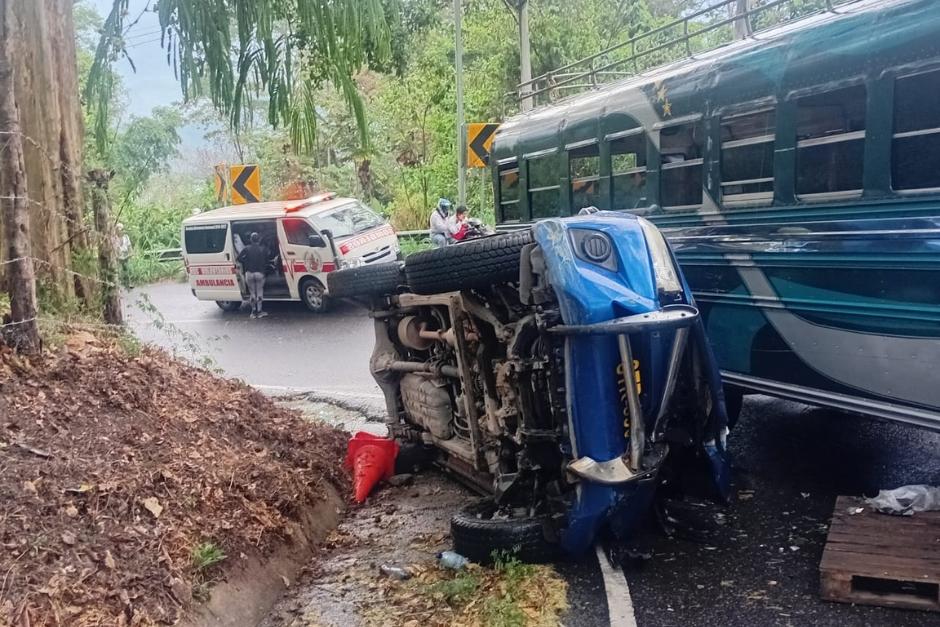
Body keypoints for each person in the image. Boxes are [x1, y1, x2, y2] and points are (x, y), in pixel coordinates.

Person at [237, 232, 269, 319]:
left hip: (249, 273)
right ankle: (259, 311)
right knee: (259, 292)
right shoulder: (263, 249)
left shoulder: (246, 248)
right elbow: (267, 260)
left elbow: (239, 258)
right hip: (259, 273)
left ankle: (253, 312)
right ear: (259, 239)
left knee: (252, 292)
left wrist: (246, 262)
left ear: (250, 239)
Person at [115, 223, 133, 288]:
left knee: (126, 268)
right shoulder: (114, 237)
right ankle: (117, 284)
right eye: (119, 229)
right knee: (117, 270)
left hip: (125, 254)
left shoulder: (126, 237)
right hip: (117, 254)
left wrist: (131, 253)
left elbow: (129, 246)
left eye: (122, 229)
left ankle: (128, 283)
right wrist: (116, 256)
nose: (121, 231)